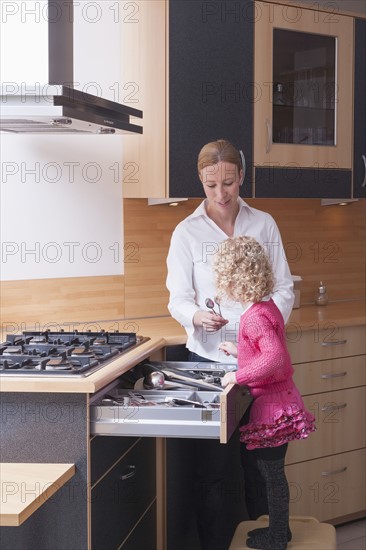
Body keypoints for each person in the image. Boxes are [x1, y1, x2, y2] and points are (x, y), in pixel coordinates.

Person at [166, 139, 294, 550]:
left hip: (260, 367)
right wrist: (196, 317)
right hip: (209, 361)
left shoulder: (264, 224)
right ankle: (216, 544)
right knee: (213, 471)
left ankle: (266, 538)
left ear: (242, 177)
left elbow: (285, 288)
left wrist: (263, 332)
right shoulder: (186, 232)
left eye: (229, 183)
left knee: (260, 465)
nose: (221, 194)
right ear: (200, 181)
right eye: (211, 185)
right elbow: (177, 297)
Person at [214, 236, 316, 550]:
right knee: (272, 474)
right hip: (281, 400)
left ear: (232, 280)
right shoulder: (265, 307)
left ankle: (277, 536)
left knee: (271, 476)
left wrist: (237, 373)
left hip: (272, 406)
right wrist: (239, 351)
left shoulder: (254, 317)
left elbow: (274, 359)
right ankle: (279, 530)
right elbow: (265, 350)